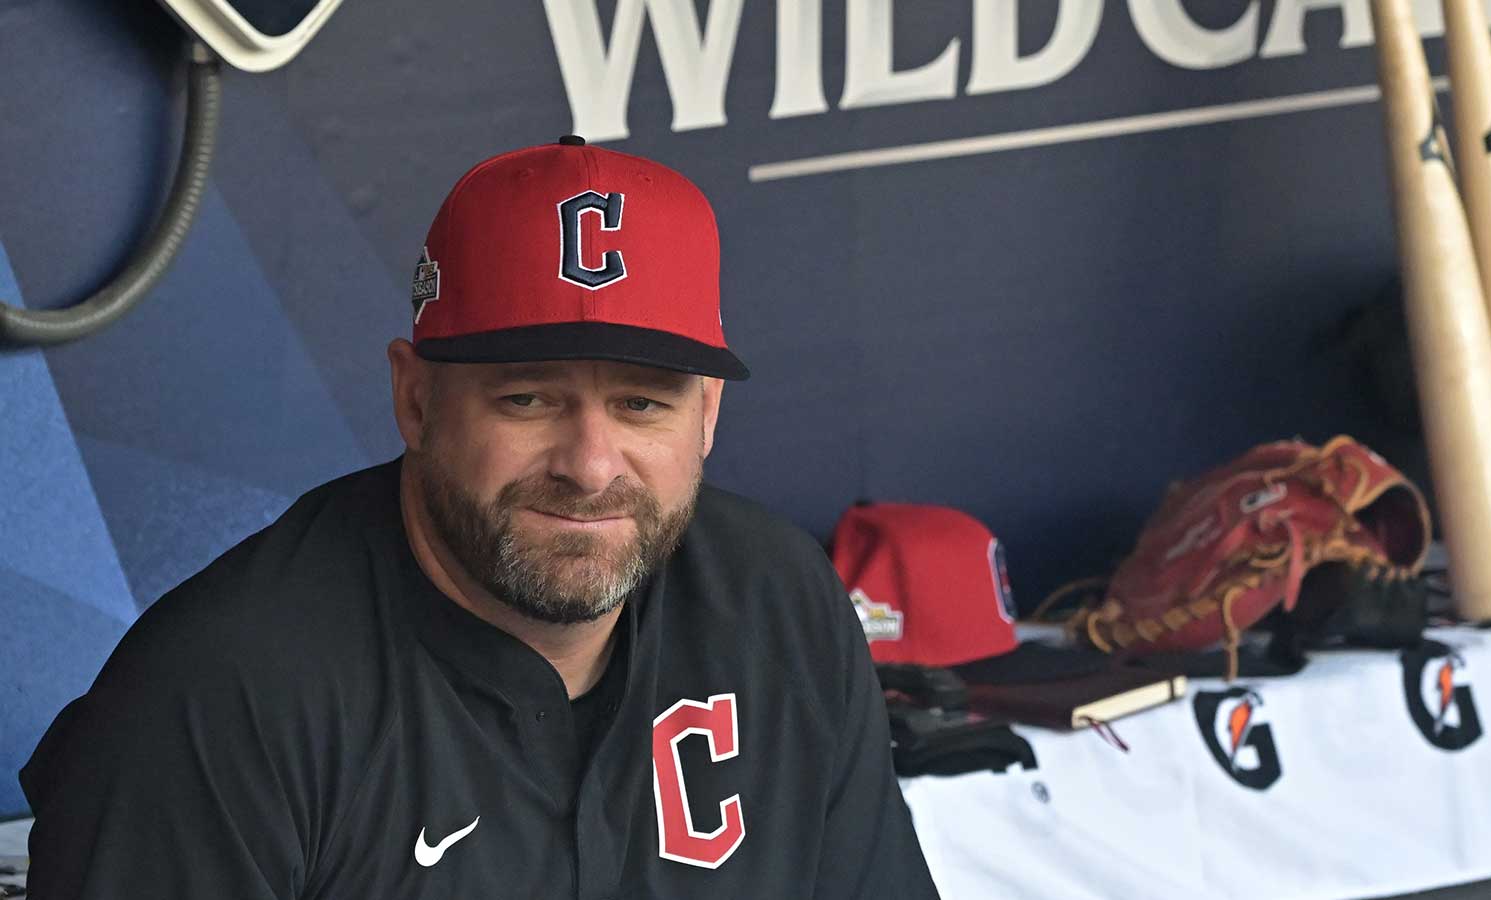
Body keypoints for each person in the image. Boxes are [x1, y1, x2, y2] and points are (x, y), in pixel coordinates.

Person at [20, 136, 940, 899]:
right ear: (414, 400)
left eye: (641, 405)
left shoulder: (777, 601)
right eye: (529, 399)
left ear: (706, 413)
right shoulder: (220, 698)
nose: (589, 467)